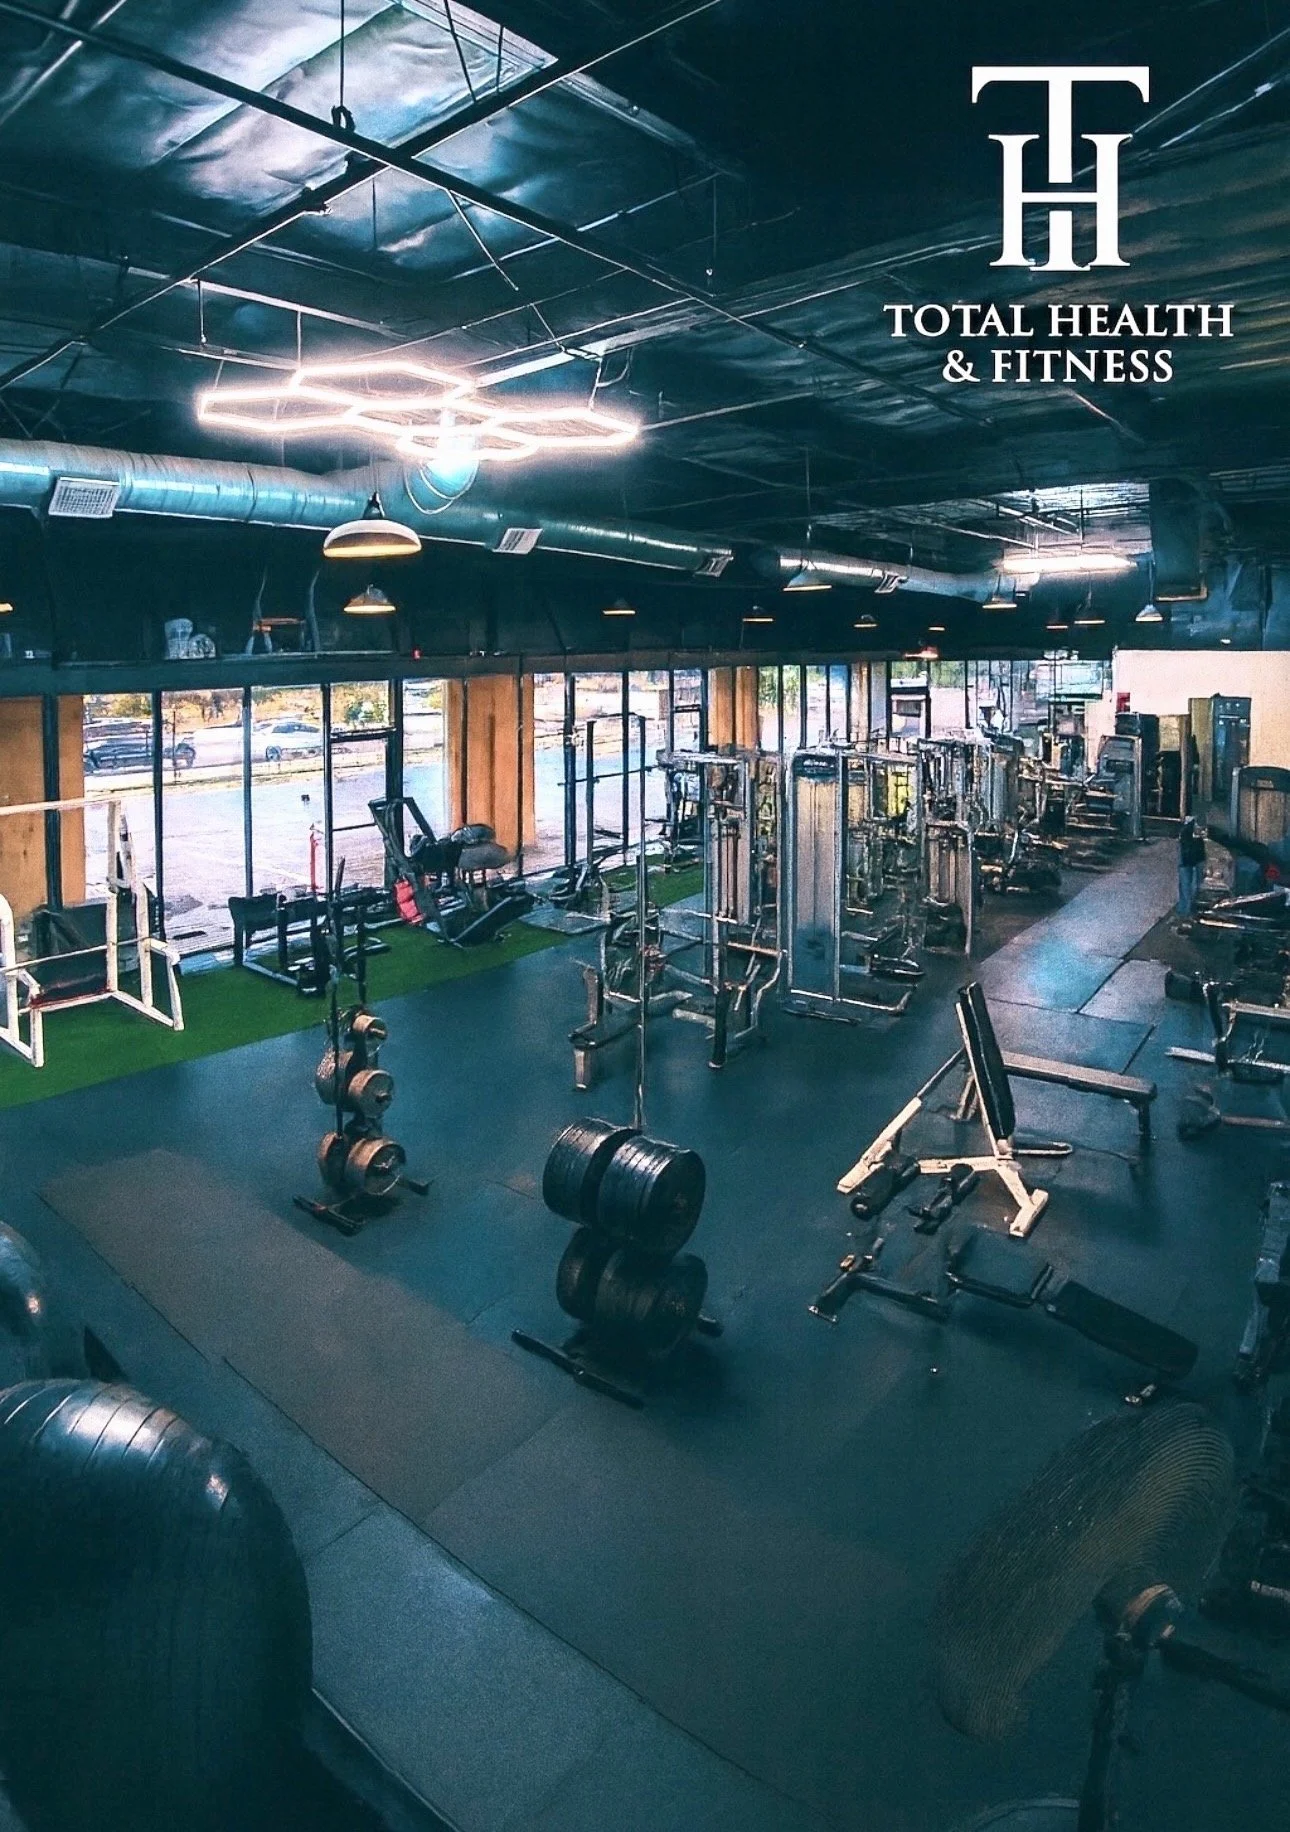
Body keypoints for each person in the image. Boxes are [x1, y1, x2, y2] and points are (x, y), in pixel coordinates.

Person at [1178, 816, 1206, 918]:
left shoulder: (1189, 832)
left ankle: (1188, 909)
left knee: (1190, 885)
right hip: (1189, 860)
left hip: (1192, 860)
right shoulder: (1186, 832)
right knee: (1189, 885)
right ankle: (1187, 909)